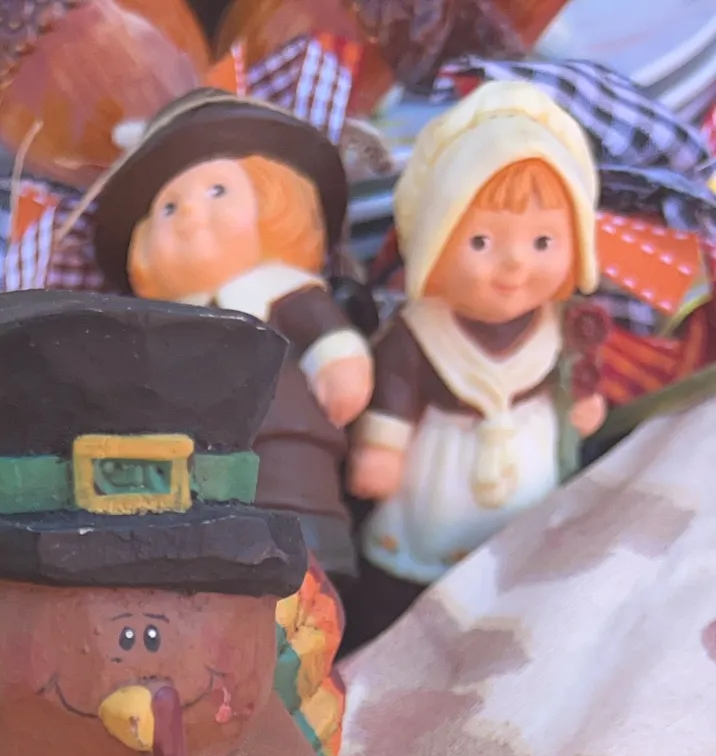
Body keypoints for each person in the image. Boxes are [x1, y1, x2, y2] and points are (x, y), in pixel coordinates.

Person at [346, 79, 606, 642]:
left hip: (527, 484)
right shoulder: (417, 334)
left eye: (542, 243)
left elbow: (571, 376)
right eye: (482, 242)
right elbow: (394, 389)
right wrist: (383, 447)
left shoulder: (556, 326)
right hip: (436, 486)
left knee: (520, 585)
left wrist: (582, 401)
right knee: (403, 594)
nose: (515, 265)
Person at [93, 88, 373, 586]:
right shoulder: (160, 329)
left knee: (304, 565)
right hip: (188, 491)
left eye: (217, 191)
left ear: (276, 200)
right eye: (169, 208)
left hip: (288, 464)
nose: (191, 213)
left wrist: (340, 364)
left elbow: (327, 337)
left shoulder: (287, 293)